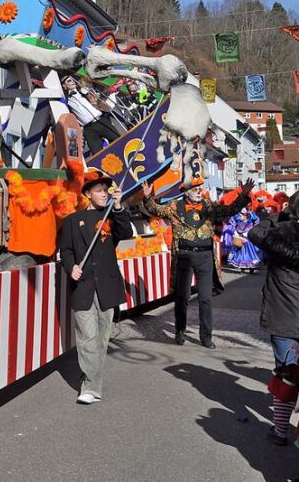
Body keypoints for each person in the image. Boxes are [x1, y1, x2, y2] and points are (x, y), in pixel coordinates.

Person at [142, 176, 254, 348]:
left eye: (200, 188)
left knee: (205, 298)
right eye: (195, 189)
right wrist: (148, 197)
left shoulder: (209, 206)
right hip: (184, 257)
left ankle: (206, 336)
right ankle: (180, 330)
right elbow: (155, 209)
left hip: (205, 257)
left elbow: (230, 210)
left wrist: (244, 195)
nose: (198, 192)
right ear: (186, 192)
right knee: (182, 296)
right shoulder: (174, 207)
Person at [58, 167, 133, 405]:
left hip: (107, 287)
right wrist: (71, 267)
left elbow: (126, 232)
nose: (104, 194)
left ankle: (90, 377)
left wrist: (119, 206)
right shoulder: (72, 221)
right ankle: (91, 387)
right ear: (88, 193)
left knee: (101, 340)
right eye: (99, 190)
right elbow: (66, 250)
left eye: (106, 191)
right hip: (83, 287)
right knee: (87, 338)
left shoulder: (112, 216)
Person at [249, 193, 299, 445]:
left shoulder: (280, 231)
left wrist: (282, 213)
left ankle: (280, 431)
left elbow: (255, 232)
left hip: (284, 314)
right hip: (286, 314)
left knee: (286, 375)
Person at [61, 75, 121, 156]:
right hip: (88, 128)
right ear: (64, 86)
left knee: (118, 140)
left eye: (72, 80)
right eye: (69, 81)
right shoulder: (67, 100)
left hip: (100, 121)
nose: (72, 82)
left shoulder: (83, 91)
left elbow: (88, 82)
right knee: (97, 152)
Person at [222, 207, 263, 272]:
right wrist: (236, 234)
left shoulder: (251, 216)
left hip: (249, 237)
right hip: (240, 237)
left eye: (242, 214)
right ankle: (242, 268)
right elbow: (232, 223)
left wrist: (252, 230)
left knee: (250, 252)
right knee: (241, 253)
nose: (240, 215)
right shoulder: (237, 217)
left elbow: (257, 221)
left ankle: (251, 268)